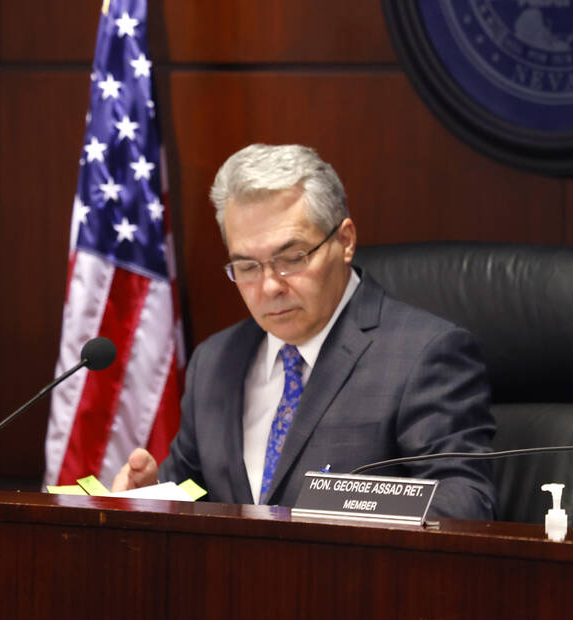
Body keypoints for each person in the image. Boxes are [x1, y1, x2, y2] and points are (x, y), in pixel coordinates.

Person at [114, 144, 496, 518]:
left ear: (345, 241)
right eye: (247, 267)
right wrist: (152, 499)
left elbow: (463, 505)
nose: (269, 287)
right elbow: (194, 493)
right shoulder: (214, 361)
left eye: (291, 258)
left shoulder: (424, 355)